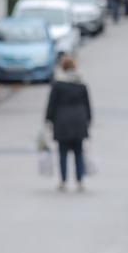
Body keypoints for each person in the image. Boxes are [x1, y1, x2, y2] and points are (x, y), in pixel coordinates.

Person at [45, 55, 92, 192]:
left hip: (62, 122)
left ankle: (63, 181)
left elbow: (51, 104)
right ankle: (79, 180)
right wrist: (88, 120)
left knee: (63, 152)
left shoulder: (58, 85)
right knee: (78, 152)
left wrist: (48, 120)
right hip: (79, 122)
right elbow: (87, 105)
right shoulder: (81, 84)